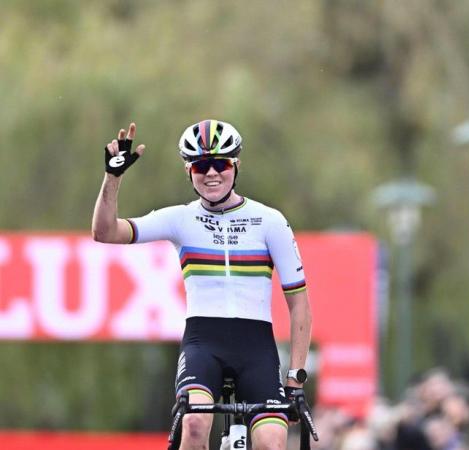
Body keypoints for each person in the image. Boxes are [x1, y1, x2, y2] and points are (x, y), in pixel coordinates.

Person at [92, 121, 312, 450]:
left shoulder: (269, 220)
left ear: (236, 166)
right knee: (194, 423)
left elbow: (300, 306)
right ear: (189, 171)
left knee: (273, 442)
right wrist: (112, 178)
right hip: (203, 345)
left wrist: (296, 377)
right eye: (201, 165)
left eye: (220, 164)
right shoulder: (181, 218)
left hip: (257, 350)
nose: (211, 173)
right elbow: (105, 232)